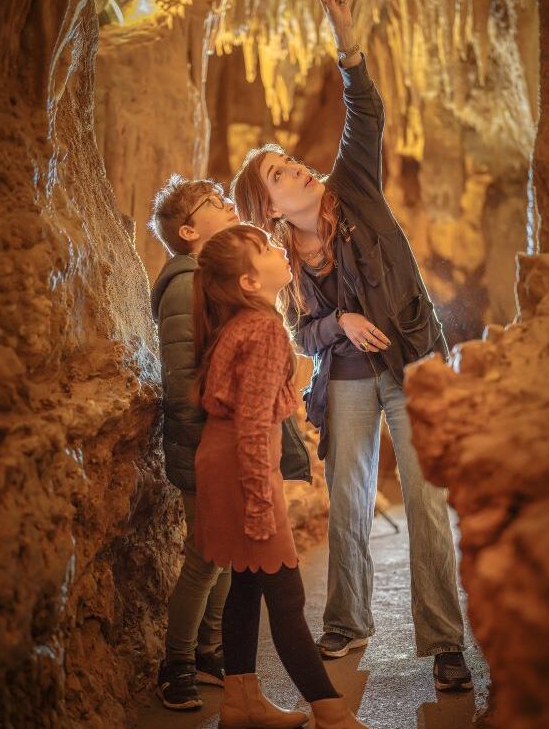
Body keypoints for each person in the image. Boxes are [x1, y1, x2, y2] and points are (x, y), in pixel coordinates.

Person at [230, 0, 472, 692]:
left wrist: (346, 35)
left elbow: (367, 109)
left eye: (292, 162)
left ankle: (445, 642)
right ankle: (347, 622)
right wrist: (339, 322)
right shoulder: (283, 263)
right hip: (347, 378)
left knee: (426, 498)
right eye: (281, 174)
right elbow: (304, 334)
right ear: (271, 208)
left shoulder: (355, 186)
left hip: (413, 359)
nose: (298, 169)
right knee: (348, 498)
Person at [193, 224, 368, 728]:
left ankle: (240, 702)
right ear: (249, 281)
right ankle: (331, 712)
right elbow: (252, 425)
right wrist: (258, 503)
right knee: (287, 597)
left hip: (225, 461)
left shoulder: (243, 322)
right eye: (265, 248)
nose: (278, 247)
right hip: (243, 468)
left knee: (247, 583)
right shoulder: (263, 329)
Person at [149, 176, 312, 710]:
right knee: (206, 557)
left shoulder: (211, 285)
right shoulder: (185, 284)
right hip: (207, 444)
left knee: (224, 557)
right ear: (189, 230)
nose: (226, 204)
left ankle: (210, 651)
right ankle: (177, 663)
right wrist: (212, 451)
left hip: (222, 442)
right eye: (213, 203)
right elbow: (184, 377)